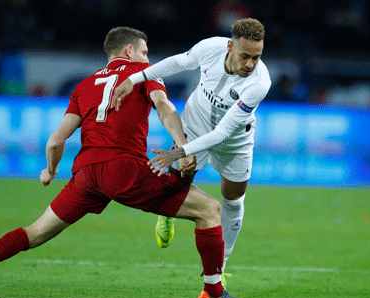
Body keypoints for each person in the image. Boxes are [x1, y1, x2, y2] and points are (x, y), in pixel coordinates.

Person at [0, 26, 245, 298]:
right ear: (129, 51)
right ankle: (212, 292)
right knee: (209, 211)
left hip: (86, 175)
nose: (148, 60)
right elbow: (164, 106)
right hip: (125, 170)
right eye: (145, 52)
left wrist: (51, 171)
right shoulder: (143, 74)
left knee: (34, 232)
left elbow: (55, 141)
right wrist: (181, 143)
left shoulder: (84, 86)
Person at [110, 18, 271, 282]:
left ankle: (220, 265)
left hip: (234, 142)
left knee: (233, 199)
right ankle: (167, 215)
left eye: (257, 57)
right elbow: (178, 63)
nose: (250, 64)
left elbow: (221, 134)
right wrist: (136, 78)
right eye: (245, 56)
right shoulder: (210, 48)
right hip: (195, 123)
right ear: (230, 46)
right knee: (177, 182)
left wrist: (179, 151)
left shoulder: (259, 83)